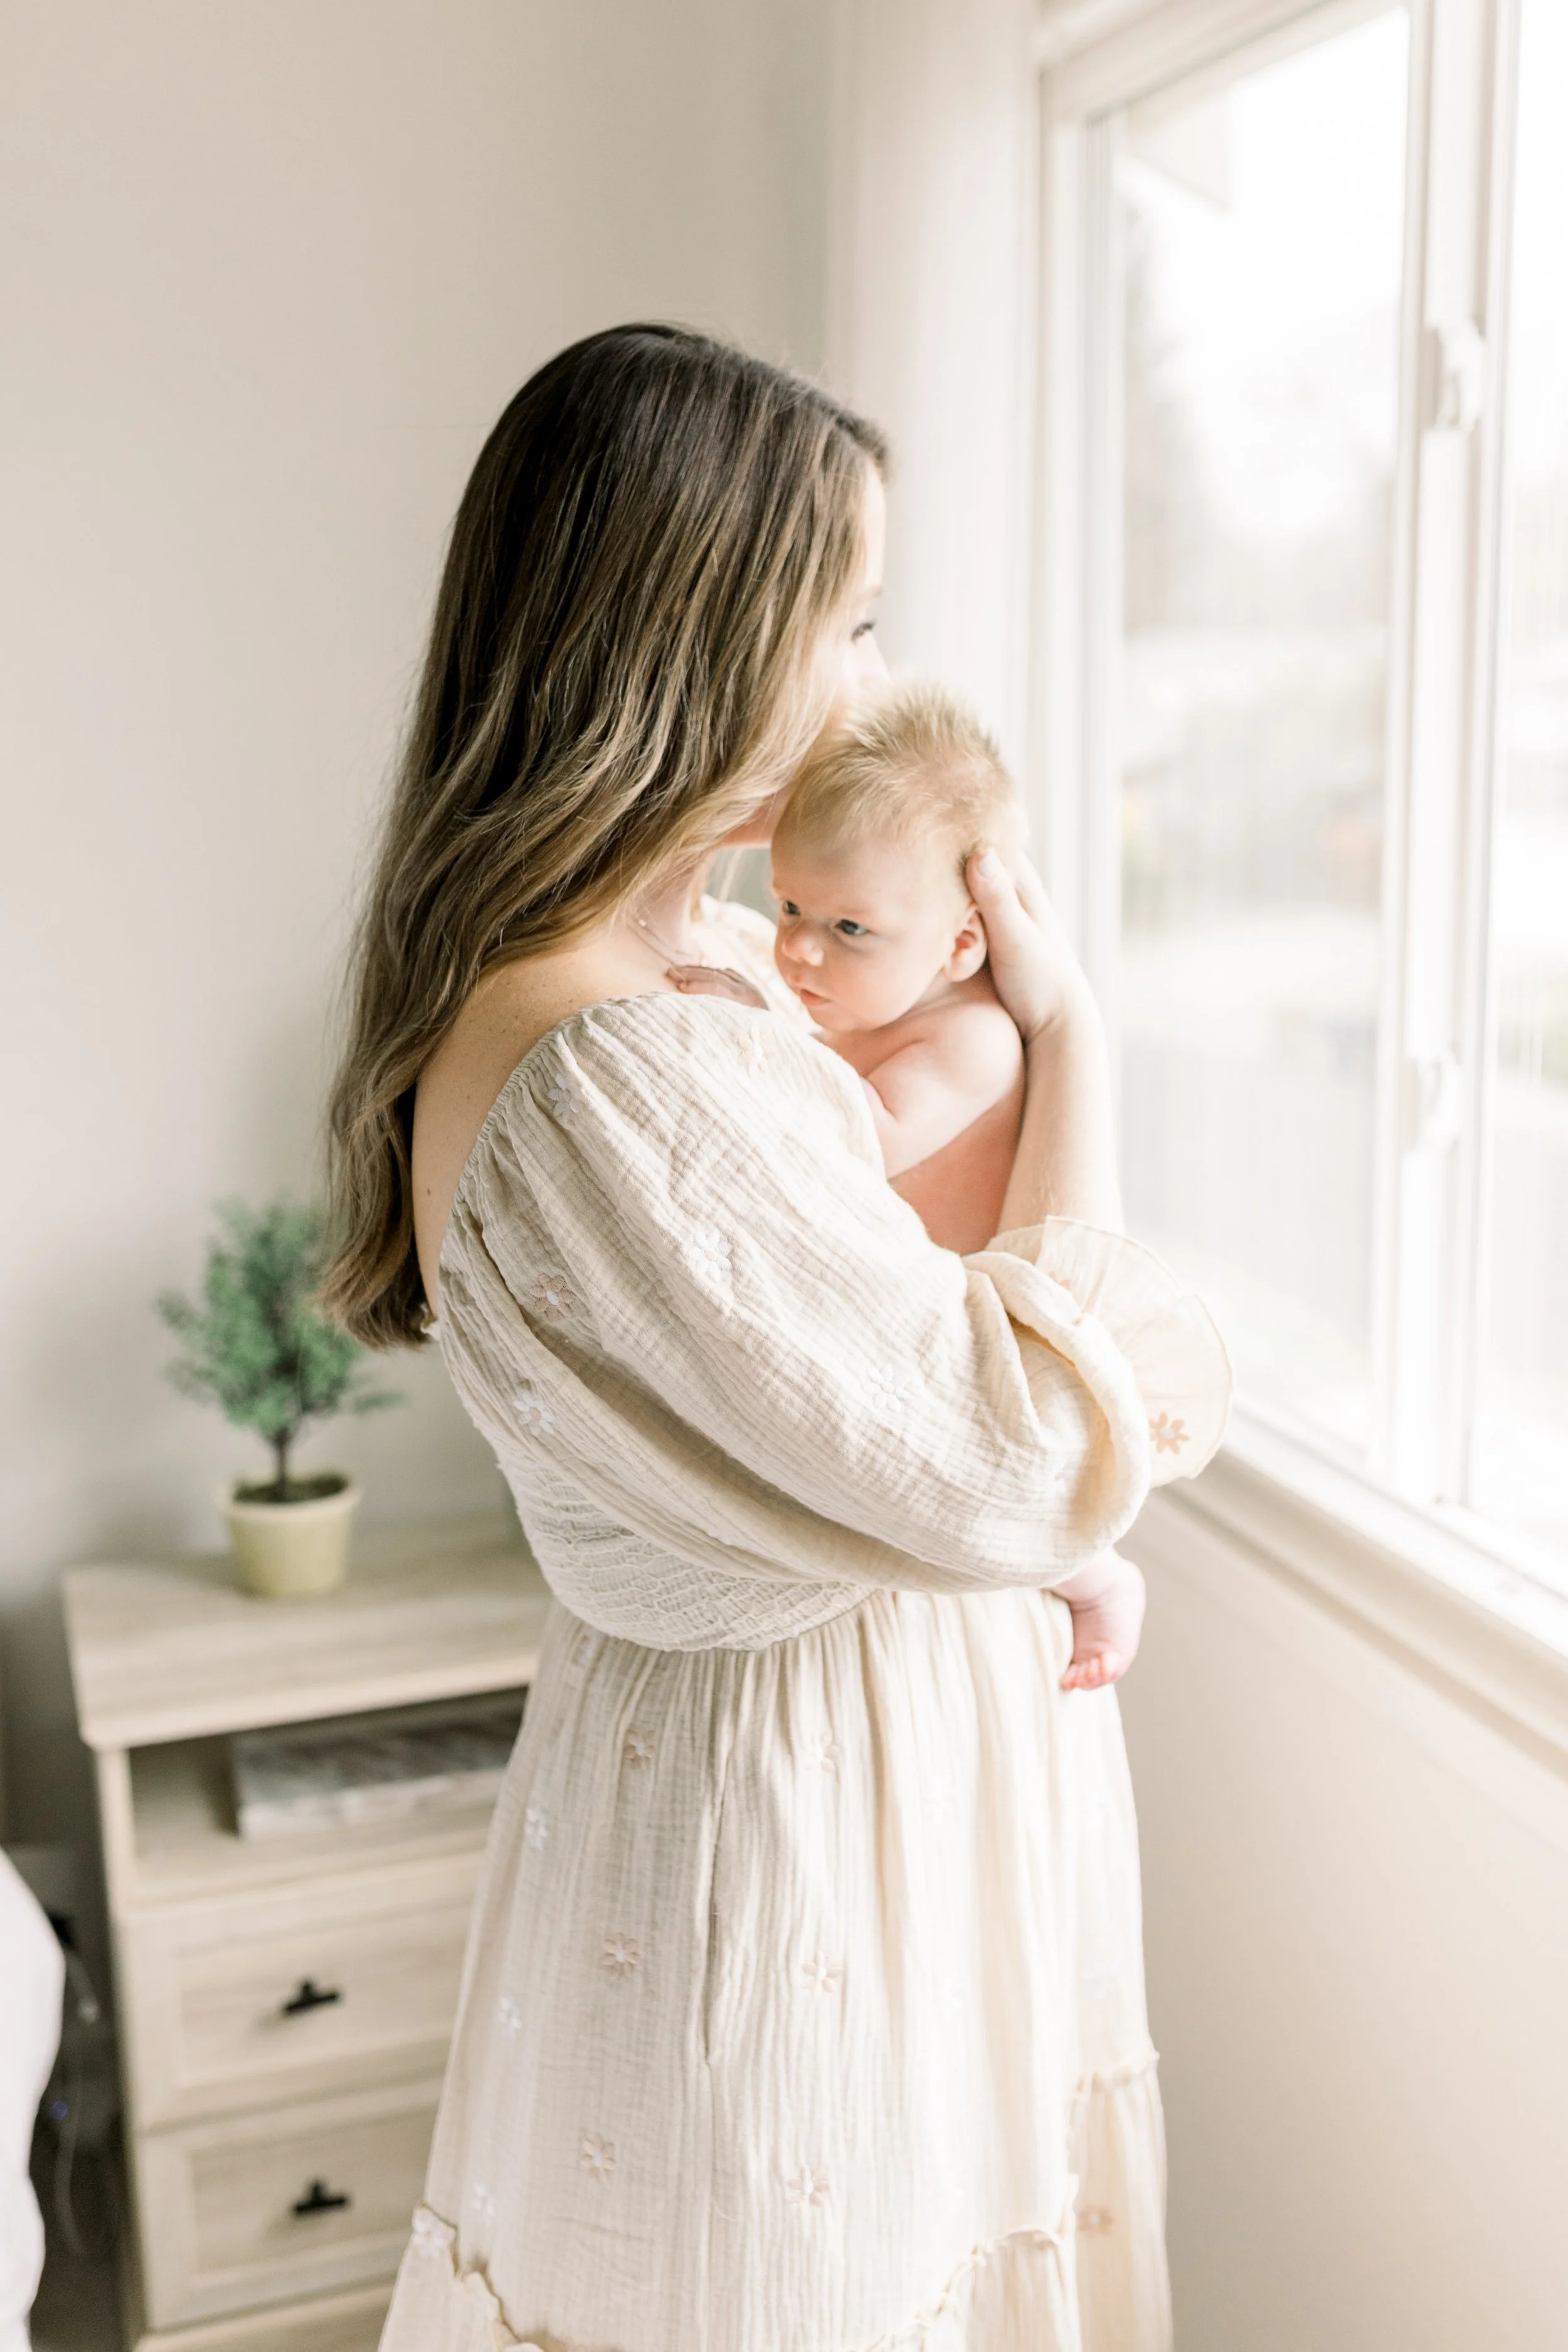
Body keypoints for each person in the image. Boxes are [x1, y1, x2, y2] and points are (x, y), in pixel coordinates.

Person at [323, 323, 1231, 2352]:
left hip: (834, 1789)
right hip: (808, 1836)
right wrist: (1072, 1032)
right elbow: (1022, 1454)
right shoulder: (626, 1077)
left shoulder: (694, 980)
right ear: (699, 633)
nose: (870, 685)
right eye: (851, 620)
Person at [679, 677, 1148, 1695]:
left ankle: (1102, 1577)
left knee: (1017, 1495)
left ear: (963, 942)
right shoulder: (871, 1004)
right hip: (902, 1302)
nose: (797, 947)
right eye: (789, 905)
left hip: (976, 1325)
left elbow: (863, 1136)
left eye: (850, 928)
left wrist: (750, 1035)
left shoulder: (971, 1039)